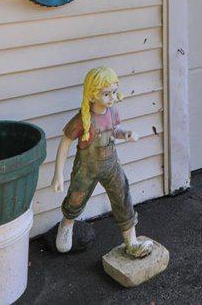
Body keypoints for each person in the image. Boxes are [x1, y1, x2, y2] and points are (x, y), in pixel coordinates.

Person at [51, 66, 154, 258]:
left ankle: (131, 242)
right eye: (107, 94)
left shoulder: (112, 112)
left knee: (122, 197)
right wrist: (58, 174)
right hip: (86, 169)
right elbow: (65, 142)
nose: (112, 97)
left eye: (114, 92)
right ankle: (66, 225)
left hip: (111, 165)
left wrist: (126, 134)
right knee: (76, 198)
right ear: (92, 94)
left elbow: (115, 131)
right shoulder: (83, 119)